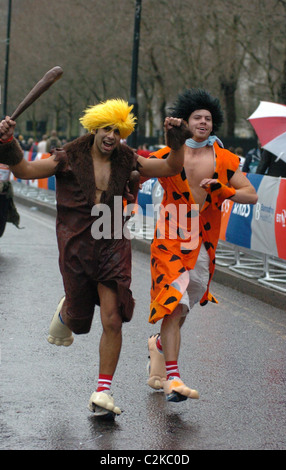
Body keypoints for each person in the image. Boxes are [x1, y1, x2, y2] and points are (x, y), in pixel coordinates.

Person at [0, 98, 191, 419]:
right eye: (106, 129)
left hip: (113, 245)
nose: (111, 136)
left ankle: (103, 390)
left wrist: (177, 142)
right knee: (78, 316)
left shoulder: (128, 159)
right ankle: (68, 311)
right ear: (94, 128)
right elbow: (25, 170)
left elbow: (171, 167)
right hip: (76, 248)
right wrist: (7, 142)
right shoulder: (67, 158)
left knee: (113, 318)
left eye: (118, 130)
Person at [147, 89, 258, 403]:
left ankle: (158, 346)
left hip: (203, 242)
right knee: (173, 303)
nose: (203, 122)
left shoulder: (224, 158)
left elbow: (251, 195)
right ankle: (174, 378)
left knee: (182, 308)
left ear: (214, 124)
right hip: (170, 234)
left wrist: (223, 189)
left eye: (208, 118)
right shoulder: (168, 154)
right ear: (186, 121)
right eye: (197, 117)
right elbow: (135, 172)